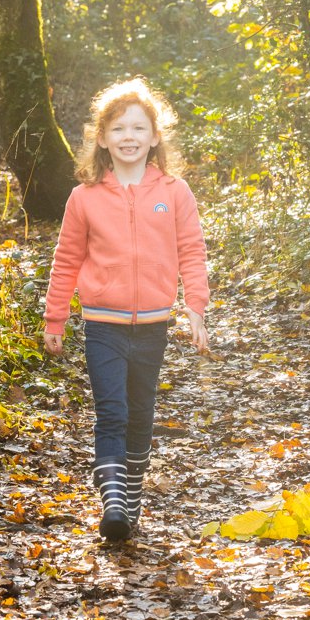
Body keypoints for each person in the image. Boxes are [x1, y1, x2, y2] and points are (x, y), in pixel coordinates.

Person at [42, 77, 210, 544]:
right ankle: (114, 502)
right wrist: (56, 317)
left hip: (154, 325)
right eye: (119, 129)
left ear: (155, 136)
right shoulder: (85, 198)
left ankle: (129, 497)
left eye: (139, 127)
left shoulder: (175, 191)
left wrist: (195, 305)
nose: (129, 137)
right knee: (111, 412)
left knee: (141, 414)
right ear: (102, 138)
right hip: (102, 324)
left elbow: (192, 250)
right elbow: (67, 259)